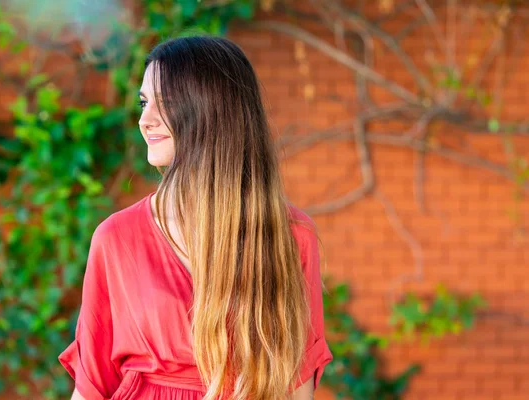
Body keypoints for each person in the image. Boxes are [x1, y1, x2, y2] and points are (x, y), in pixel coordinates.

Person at [58, 35, 333, 400]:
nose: (145, 120)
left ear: (214, 110)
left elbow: (297, 385)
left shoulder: (290, 236)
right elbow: (92, 384)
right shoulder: (116, 238)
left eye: (166, 103)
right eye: (143, 103)